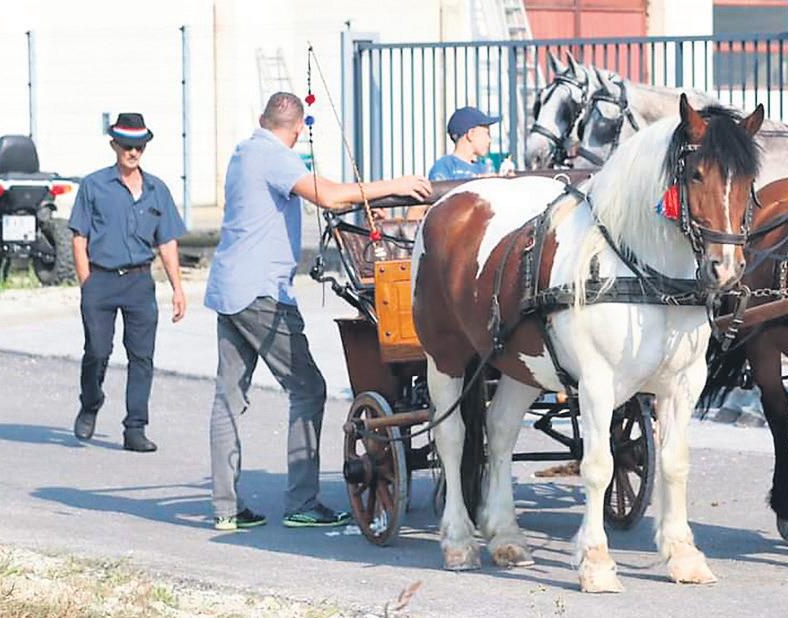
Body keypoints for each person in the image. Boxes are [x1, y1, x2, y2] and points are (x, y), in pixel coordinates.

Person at [205, 92, 431, 531]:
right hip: (262, 294)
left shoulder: (244, 151)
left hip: (230, 288)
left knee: (228, 399)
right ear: (296, 129)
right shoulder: (273, 155)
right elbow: (328, 196)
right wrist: (395, 185)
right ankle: (301, 502)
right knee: (308, 388)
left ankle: (225, 508)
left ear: (262, 118)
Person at [69, 113, 186, 452]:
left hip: (139, 282)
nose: (133, 152)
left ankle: (135, 427)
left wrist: (178, 289)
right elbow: (79, 237)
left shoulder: (156, 190)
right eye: (126, 146)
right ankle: (90, 403)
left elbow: (167, 242)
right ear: (114, 145)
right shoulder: (94, 185)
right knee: (97, 351)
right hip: (101, 280)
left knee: (142, 357)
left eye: (139, 147)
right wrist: (87, 282)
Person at [428, 106, 502, 181]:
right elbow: (441, 187)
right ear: (471, 134)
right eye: (487, 133)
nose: (489, 140)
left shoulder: (483, 168)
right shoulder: (445, 167)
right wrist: (477, 182)